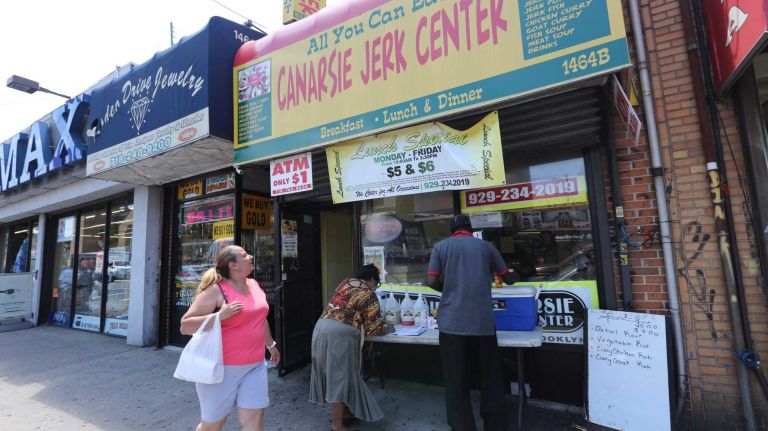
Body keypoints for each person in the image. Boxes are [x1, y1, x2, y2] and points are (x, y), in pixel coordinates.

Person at [427, 215, 520, 431]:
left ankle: (462, 426)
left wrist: (450, 288)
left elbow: (432, 280)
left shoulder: (440, 247)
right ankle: (495, 425)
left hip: (451, 324)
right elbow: (507, 277)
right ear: (470, 228)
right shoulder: (487, 247)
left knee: (455, 380)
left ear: (452, 230)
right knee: (491, 377)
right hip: (482, 323)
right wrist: (521, 274)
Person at [181, 245, 280, 431]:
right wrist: (219, 316)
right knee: (214, 423)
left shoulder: (254, 285)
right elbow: (185, 326)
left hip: (255, 366)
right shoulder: (217, 291)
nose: (250, 256)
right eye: (244, 255)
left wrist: (271, 345)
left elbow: (260, 319)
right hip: (221, 369)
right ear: (234, 265)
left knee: (255, 417)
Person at [309, 264, 394, 431]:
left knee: (340, 375)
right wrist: (389, 327)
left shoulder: (346, 282)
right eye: (376, 283)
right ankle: (337, 426)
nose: (376, 287)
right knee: (339, 379)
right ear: (371, 279)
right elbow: (374, 329)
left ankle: (347, 414)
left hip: (320, 328)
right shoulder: (369, 294)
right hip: (340, 336)